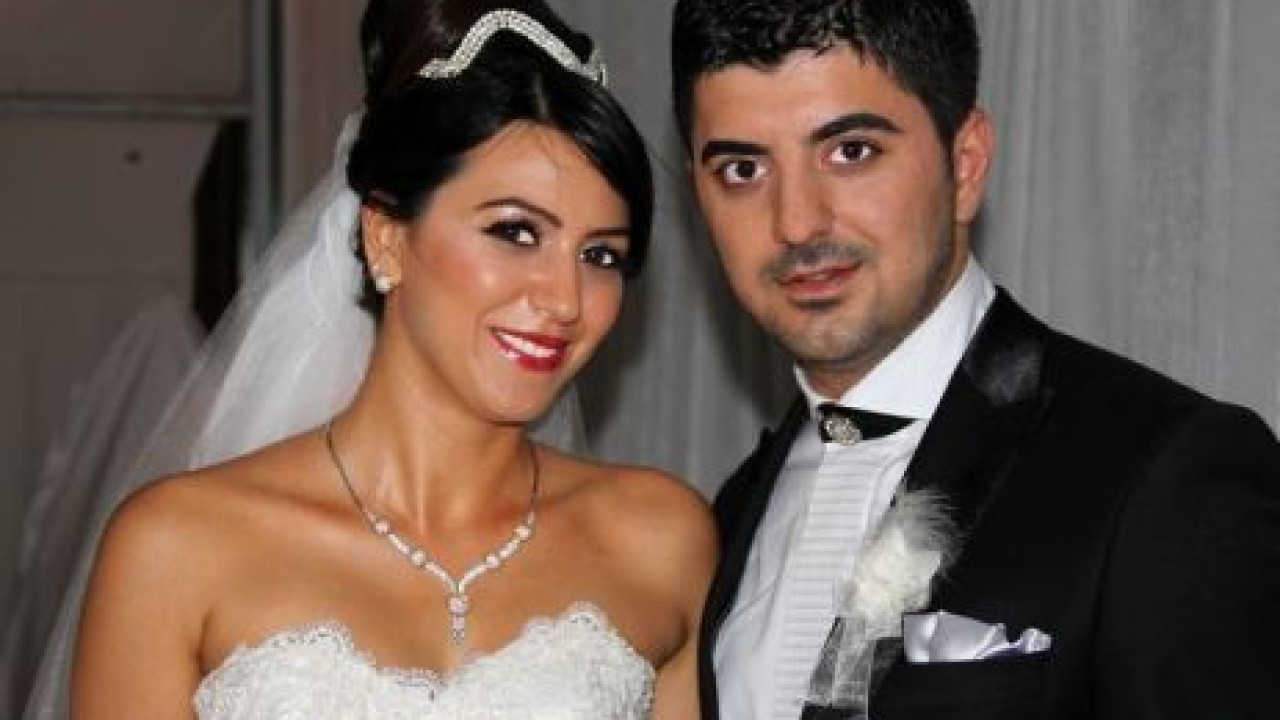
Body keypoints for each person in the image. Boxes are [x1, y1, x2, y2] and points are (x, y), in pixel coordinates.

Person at [60, 1, 716, 718]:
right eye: (515, 232)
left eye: (601, 255)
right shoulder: (174, 546)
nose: (565, 298)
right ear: (386, 237)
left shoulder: (661, 539)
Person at [670, 0, 1280, 718]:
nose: (796, 222)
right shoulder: (728, 511)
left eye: (851, 151)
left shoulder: (1162, 472)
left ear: (965, 165)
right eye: (742, 168)